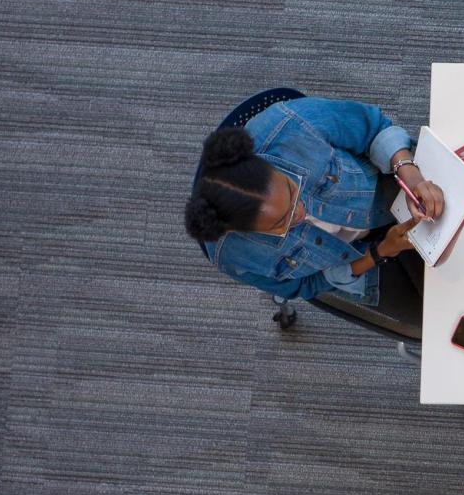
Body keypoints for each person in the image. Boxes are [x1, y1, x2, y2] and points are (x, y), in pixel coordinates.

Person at [185, 97, 445, 333]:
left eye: (292, 189)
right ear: (237, 231)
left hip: (389, 187)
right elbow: (306, 286)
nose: (302, 211)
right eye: (283, 222)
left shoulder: (290, 124)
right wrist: (381, 251)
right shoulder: (233, 257)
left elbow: (374, 128)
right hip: (363, 261)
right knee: (439, 320)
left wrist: (410, 176)